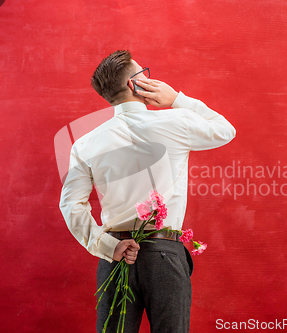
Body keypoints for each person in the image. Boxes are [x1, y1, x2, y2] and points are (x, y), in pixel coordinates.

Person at [59, 50, 236, 333]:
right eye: (144, 73)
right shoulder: (176, 121)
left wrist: (107, 246)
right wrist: (177, 99)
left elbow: (71, 205)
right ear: (134, 83)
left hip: (115, 257)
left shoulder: (84, 144)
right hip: (164, 255)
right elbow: (225, 130)